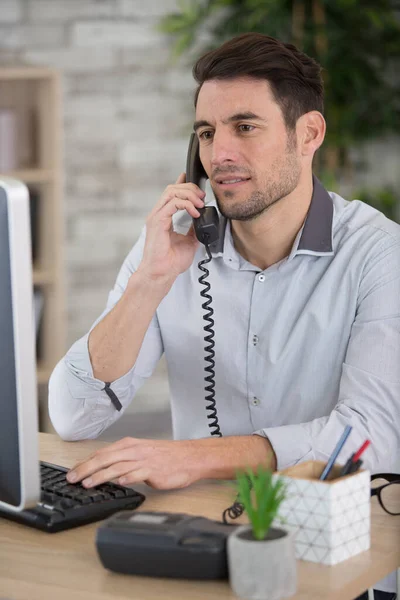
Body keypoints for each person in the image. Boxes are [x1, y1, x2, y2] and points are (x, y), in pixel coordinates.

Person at [49, 33, 399, 597]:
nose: (220, 155)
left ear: (308, 134)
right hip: (199, 549)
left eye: (245, 127)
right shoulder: (169, 250)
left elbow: (370, 440)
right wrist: (149, 282)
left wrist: (193, 459)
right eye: (207, 134)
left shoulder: (380, 255)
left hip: (339, 561)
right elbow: (72, 416)